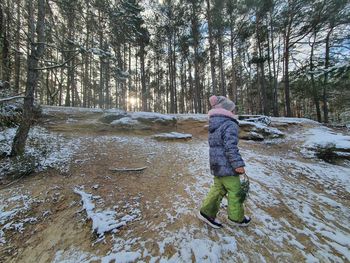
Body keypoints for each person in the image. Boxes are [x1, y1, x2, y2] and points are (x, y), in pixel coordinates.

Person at [197, 95, 251, 228]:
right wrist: (238, 165)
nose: (235, 113)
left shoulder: (214, 123)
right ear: (227, 111)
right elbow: (230, 147)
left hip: (216, 164)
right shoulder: (230, 124)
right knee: (235, 191)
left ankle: (206, 212)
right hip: (228, 167)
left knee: (218, 188)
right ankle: (236, 218)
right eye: (233, 110)